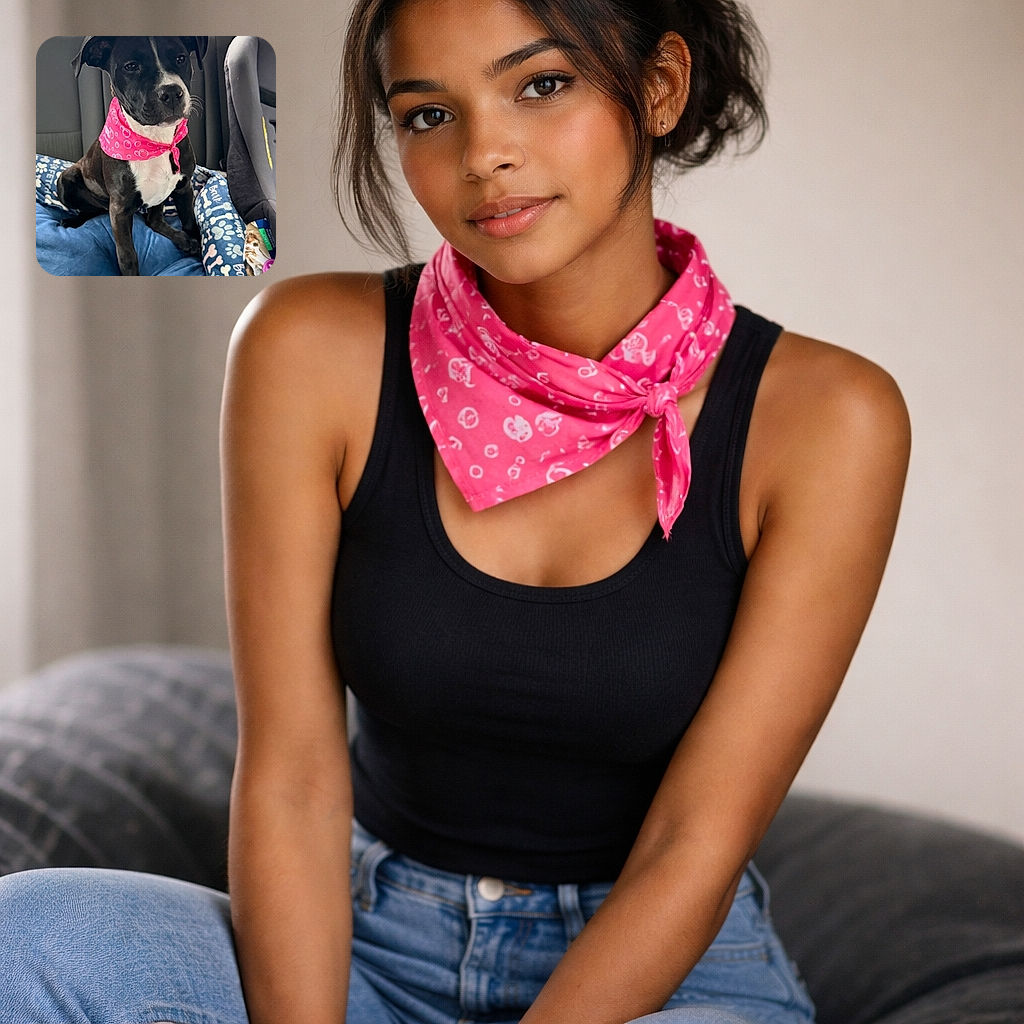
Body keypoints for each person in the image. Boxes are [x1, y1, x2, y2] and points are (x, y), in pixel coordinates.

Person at [0, 1, 910, 1022]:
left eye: (541, 85)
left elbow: (694, 839)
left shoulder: (830, 418)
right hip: (356, 943)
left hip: (662, 979)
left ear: (657, 86)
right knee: (24, 935)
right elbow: (294, 778)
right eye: (428, 115)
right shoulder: (308, 348)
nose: (485, 154)